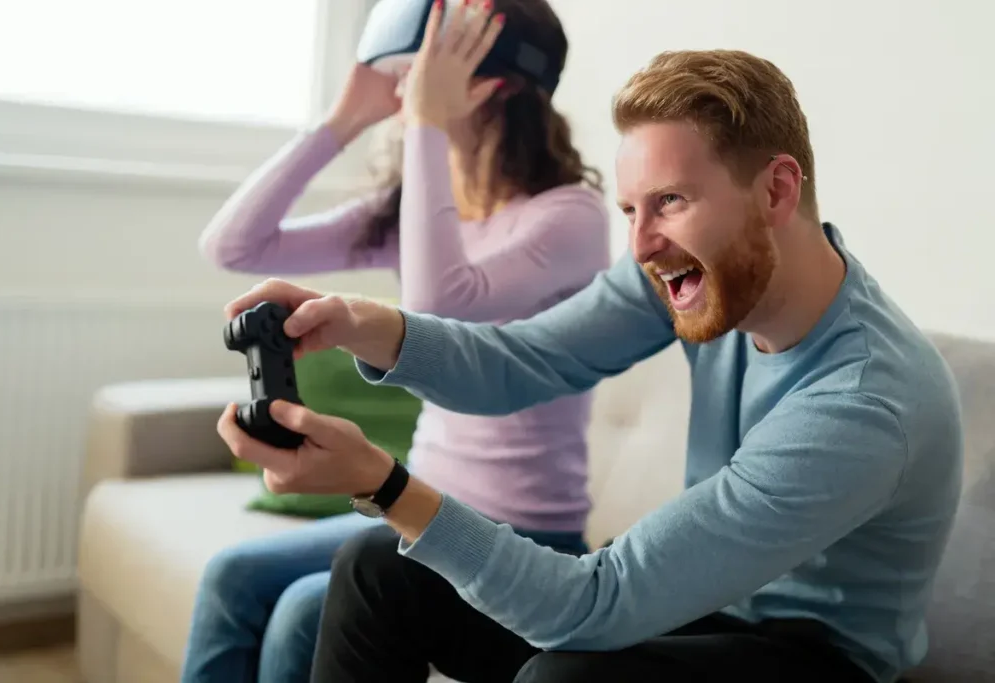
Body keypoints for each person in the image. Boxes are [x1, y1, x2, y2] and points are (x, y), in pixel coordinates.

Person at [215, 48, 964, 683]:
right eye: (632, 209)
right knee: (380, 571)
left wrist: (381, 481)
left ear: (775, 190)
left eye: (670, 200)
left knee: (566, 674)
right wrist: (361, 324)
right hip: (707, 604)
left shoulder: (865, 400)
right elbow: (523, 358)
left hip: (813, 656)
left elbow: (591, 605)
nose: (641, 245)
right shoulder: (703, 277)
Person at [180, 2, 610, 682]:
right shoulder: (416, 213)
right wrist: (342, 121)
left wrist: (426, 126)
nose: (405, 87)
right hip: (411, 506)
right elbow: (232, 245)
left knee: (302, 609)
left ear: (494, 85)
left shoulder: (569, 217)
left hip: (521, 536)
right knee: (234, 576)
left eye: (422, 72)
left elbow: (436, 305)